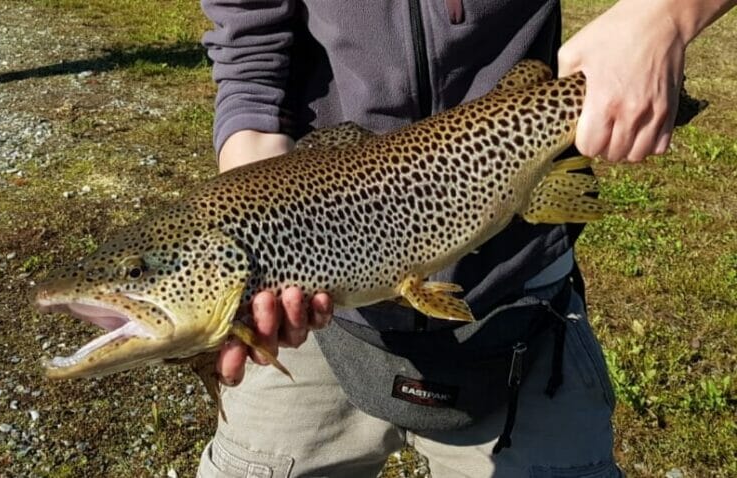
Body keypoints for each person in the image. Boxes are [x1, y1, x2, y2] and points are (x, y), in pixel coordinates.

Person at [196, 0, 736, 476]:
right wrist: (259, 208)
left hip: (523, 304)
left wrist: (665, 16)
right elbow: (252, 52)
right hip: (322, 331)